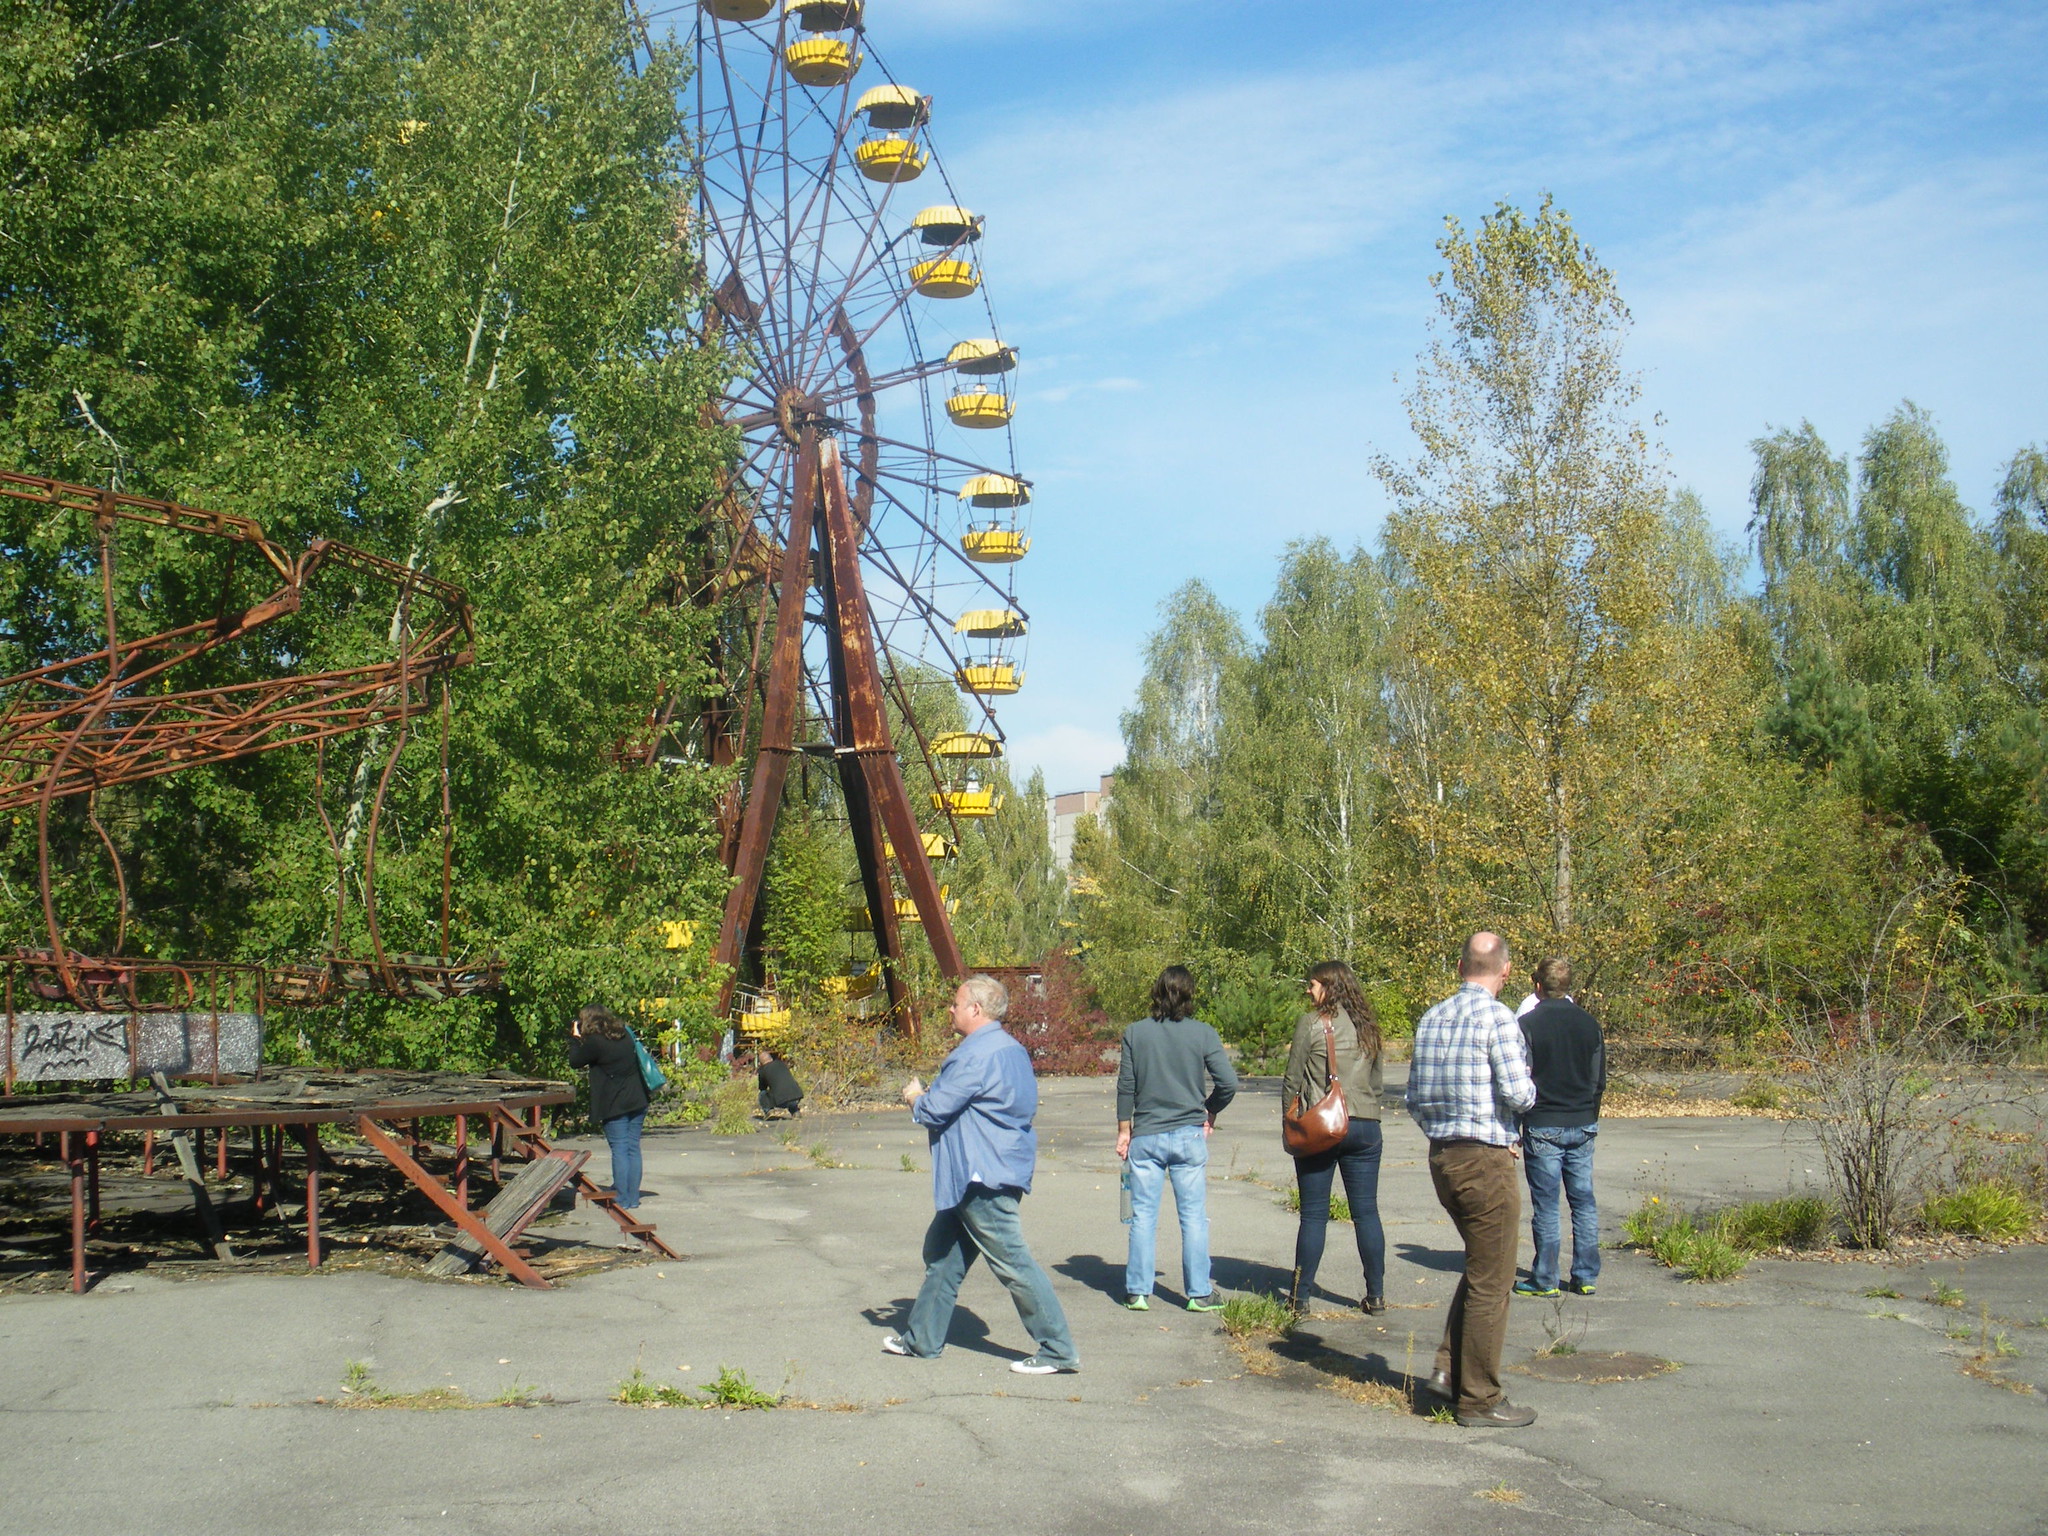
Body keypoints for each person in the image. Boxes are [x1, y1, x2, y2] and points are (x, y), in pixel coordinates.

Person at [883, 974, 1080, 1375]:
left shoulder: (976, 1054)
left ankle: (1058, 1349)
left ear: (976, 1009)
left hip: (981, 1176)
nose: (951, 1010)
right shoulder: (1012, 1050)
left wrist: (915, 1096)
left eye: (956, 1003)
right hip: (992, 1170)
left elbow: (935, 1109)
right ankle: (922, 1340)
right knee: (941, 1254)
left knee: (1012, 1261)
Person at [1405, 931, 1538, 1428]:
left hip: (1443, 1158)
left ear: (1461, 966)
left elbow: (1414, 1099)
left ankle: (1444, 1374)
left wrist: (1445, 1135)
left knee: (1482, 1268)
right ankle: (1479, 1399)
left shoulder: (1432, 1018)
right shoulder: (1500, 1019)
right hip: (1485, 1161)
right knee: (1494, 1279)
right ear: (1505, 971)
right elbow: (1520, 1095)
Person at [1115, 964, 1238, 1311]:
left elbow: (1127, 1085)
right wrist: (1209, 1110)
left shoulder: (1135, 1033)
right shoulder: (1203, 1033)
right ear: (1189, 994)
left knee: (1142, 1216)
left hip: (1147, 1135)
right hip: (1188, 1134)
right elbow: (1228, 1082)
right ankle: (1199, 1293)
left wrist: (1124, 1130)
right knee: (1194, 1217)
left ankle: (1138, 1291)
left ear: (1156, 992)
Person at [1282, 959, 1387, 1315]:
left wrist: (1290, 1120)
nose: (1308, 992)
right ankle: (1376, 1296)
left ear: (1328, 986)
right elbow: (1376, 1084)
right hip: (1366, 1126)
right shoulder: (1367, 1025)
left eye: (1312, 985)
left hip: (1322, 1126)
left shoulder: (1311, 1024)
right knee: (1366, 1213)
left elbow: (1292, 1079)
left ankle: (1300, 1298)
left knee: (1313, 1216)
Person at [1514, 957, 1606, 1299]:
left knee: (1547, 1204)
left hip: (1543, 1122)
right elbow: (1599, 1079)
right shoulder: (1589, 1024)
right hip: (1582, 1121)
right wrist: (1589, 1112)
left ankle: (1545, 1278)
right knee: (1583, 1201)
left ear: (1537, 986)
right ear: (1568, 986)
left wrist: (1518, 1121)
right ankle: (1584, 1275)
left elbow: (1521, 1079)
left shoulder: (1528, 1023)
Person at [566, 1003, 650, 1210]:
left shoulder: (595, 1042)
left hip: (614, 1103)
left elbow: (575, 1061)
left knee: (620, 1148)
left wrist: (575, 1038)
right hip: (637, 1098)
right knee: (632, 1148)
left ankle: (622, 1198)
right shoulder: (625, 1034)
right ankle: (632, 1197)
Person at [757, 1047, 805, 1119]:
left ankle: (769, 1111)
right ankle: (795, 1112)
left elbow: (762, 1088)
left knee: (762, 1094)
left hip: (781, 1100)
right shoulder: (781, 1064)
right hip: (797, 1095)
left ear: (760, 1063)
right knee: (789, 1095)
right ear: (771, 1058)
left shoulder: (762, 1070)